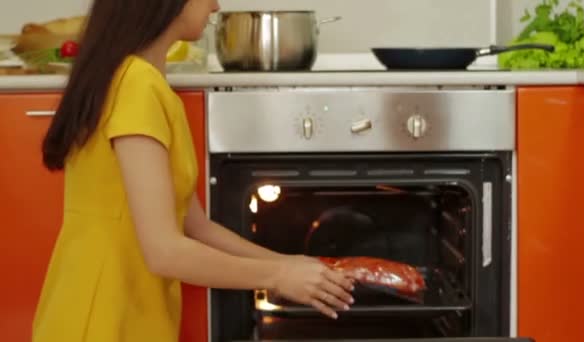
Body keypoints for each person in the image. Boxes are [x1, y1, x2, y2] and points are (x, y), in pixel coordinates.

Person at [33, 0, 355, 341]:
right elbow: (164, 252)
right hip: (103, 314)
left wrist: (294, 266)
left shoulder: (143, 83)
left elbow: (197, 227)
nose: (215, 5)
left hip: (131, 307)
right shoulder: (136, 86)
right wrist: (277, 275)